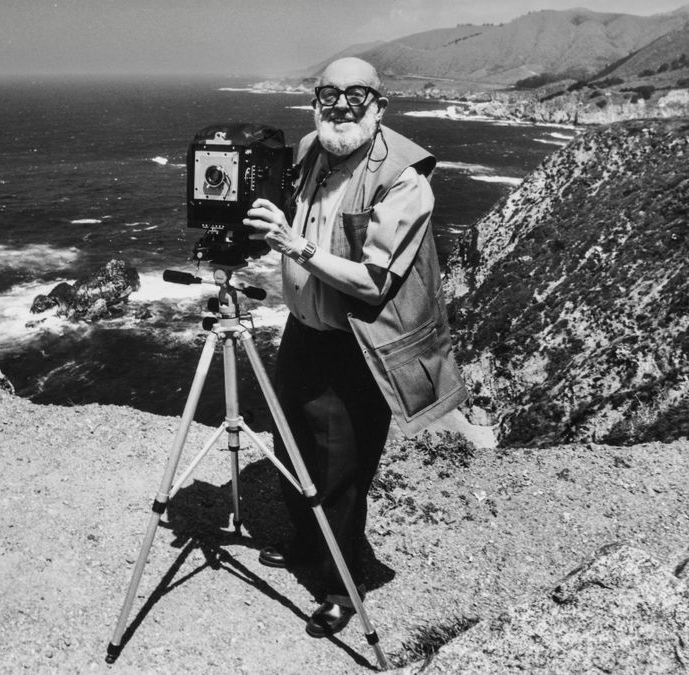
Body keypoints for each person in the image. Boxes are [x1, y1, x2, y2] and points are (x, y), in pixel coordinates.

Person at [243, 57, 468, 638]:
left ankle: (344, 583)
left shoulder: (404, 180)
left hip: (359, 345)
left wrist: (294, 247)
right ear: (315, 104)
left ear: (379, 106)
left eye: (356, 96)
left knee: (342, 467)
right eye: (328, 95)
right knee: (292, 444)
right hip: (303, 333)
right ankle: (307, 545)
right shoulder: (310, 154)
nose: (341, 106)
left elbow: (374, 281)